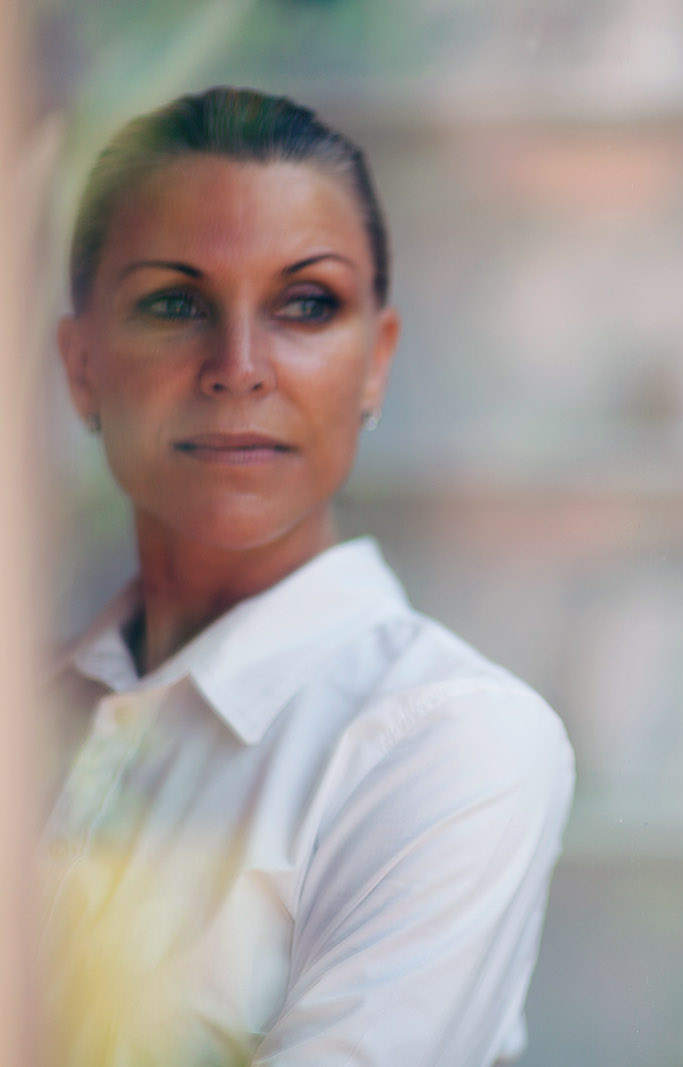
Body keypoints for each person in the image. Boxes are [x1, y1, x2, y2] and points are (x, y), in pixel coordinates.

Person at [45, 87, 574, 1066]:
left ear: (374, 364)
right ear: (82, 366)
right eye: (174, 304)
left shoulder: (449, 737)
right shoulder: (29, 711)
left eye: (305, 304)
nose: (238, 366)